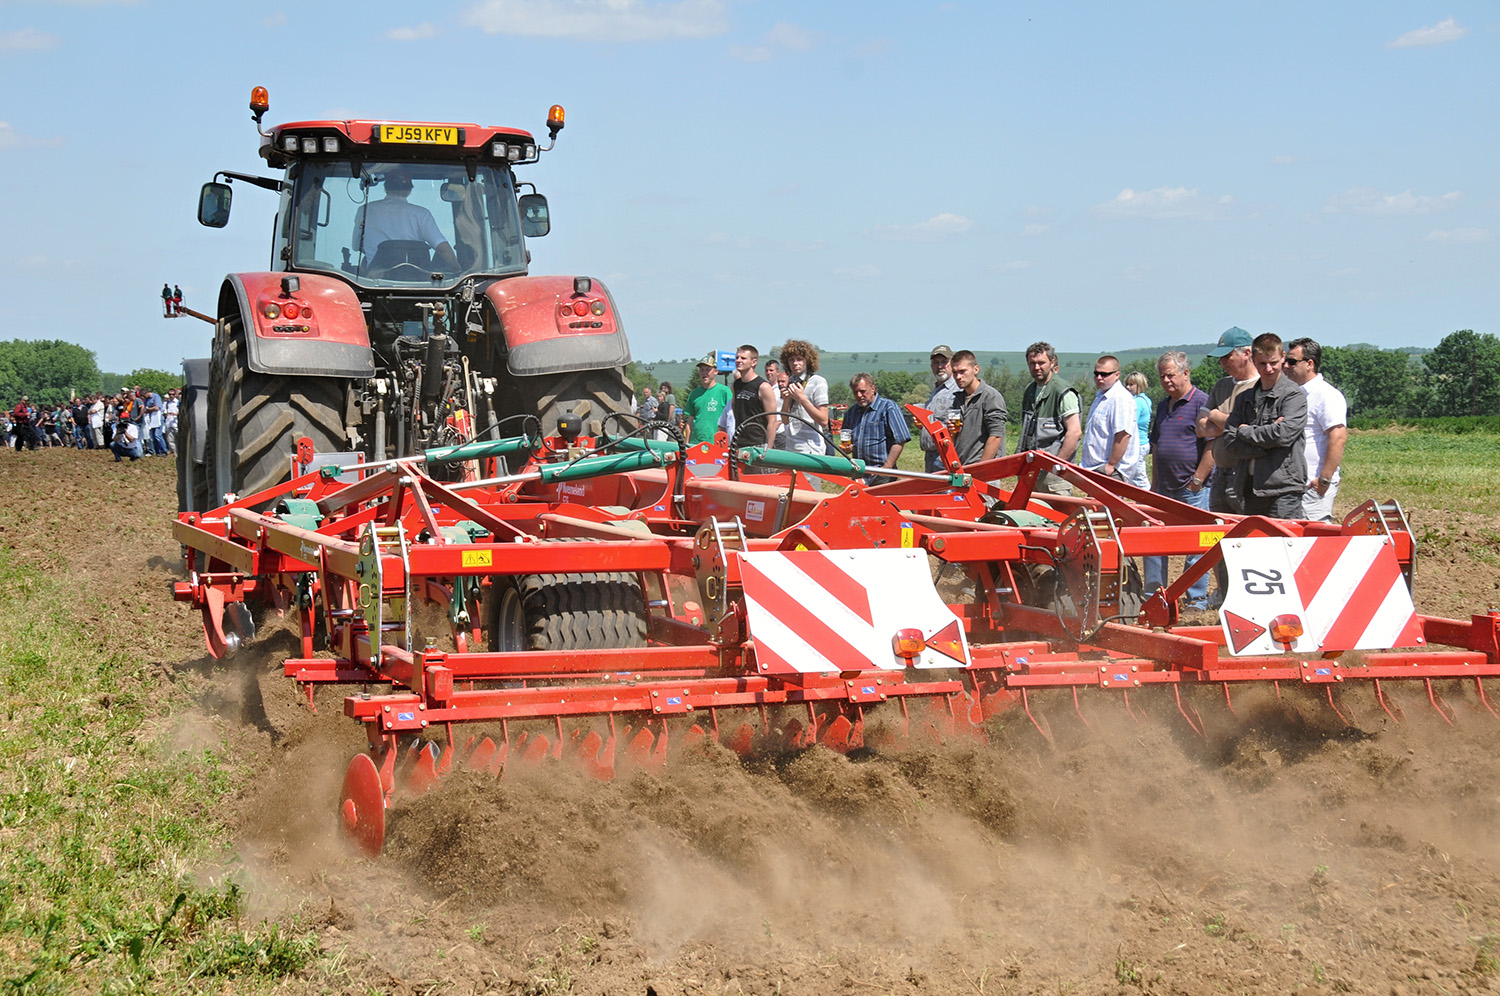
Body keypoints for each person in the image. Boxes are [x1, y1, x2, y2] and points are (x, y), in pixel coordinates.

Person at [1207, 332, 1307, 519]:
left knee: (1281, 538)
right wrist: (1269, 444)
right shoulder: (1245, 398)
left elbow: (1283, 435)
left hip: (1283, 489)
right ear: (1253, 360)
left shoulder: (1293, 395)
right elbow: (1230, 440)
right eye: (1262, 363)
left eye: (1273, 363)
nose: (1268, 369)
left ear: (1283, 357)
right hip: (1250, 487)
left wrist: (1245, 431)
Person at [1145, 351, 1214, 609]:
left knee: (1196, 543)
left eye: (1171, 375)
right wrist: (1154, 484)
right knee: (1154, 541)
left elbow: (1212, 446)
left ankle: (1196, 598)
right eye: (1162, 376)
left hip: (1192, 489)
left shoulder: (1202, 403)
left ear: (1186, 373)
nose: (1166, 380)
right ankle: (1154, 595)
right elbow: (1156, 446)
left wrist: (1198, 479)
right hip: (1164, 487)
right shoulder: (1164, 406)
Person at [1285, 338, 1347, 523]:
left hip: (1313, 486)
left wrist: (1324, 480)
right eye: (1286, 361)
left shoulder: (1326, 395)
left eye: (1292, 362)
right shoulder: (1293, 394)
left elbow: (1338, 437)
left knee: (1312, 535)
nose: (1286, 366)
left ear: (1309, 364)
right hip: (1292, 486)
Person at [352, 168, 458, 272]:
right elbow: (442, 249)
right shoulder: (421, 214)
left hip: (375, 279)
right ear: (409, 190)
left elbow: (356, 246)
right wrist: (458, 270)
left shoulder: (364, 210)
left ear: (386, 187)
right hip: (416, 279)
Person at [1018, 341, 1081, 495]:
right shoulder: (1030, 390)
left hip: (1054, 477)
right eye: (1032, 363)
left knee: (1059, 510)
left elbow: (1074, 432)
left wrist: (1057, 465)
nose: (1036, 367)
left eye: (1041, 363)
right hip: (1031, 471)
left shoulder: (1063, 392)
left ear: (1052, 362)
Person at [1080, 356, 1144, 485]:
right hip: (1097, 469)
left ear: (1117, 375)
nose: (1099, 378)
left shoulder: (1120, 398)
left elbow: (1123, 435)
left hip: (1111, 471)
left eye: (1104, 374)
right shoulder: (1101, 396)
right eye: (1096, 374)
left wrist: (1111, 465)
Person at [843, 372, 910, 485]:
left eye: (862, 391)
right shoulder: (851, 412)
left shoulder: (888, 407)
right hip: (859, 473)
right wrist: (848, 448)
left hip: (882, 475)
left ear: (873, 388)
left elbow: (901, 439)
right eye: (855, 392)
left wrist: (887, 468)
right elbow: (847, 439)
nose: (859, 395)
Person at [948, 350, 1007, 466]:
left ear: (976, 369)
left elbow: (996, 436)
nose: (958, 377)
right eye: (954, 372)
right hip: (962, 467)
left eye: (962, 371)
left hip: (986, 469)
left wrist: (981, 469)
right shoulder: (958, 399)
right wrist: (952, 432)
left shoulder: (990, 397)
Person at [777, 339, 830, 455]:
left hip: (811, 449)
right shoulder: (791, 381)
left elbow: (824, 420)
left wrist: (802, 399)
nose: (795, 363)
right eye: (791, 359)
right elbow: (785, 420)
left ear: (808, 361)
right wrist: (786, 400)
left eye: (799, 359)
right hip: (791, 447)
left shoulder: (818, 382)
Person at [918, 345, 960, 472]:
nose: (940, 366)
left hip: (945, 454)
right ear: (931, 366)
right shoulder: (936, 390)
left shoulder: (957, 390)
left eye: (944, 362)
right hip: (930, 456)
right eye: (936, 363)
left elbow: (960, 426)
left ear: (952, 364)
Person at [729, 345, 779, 446]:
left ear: (754, 362)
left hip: (758, 443)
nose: (738, 360)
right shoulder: (735, 385)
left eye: (743, 358)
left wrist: (768, 449)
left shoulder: (763, 386)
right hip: (739, 442)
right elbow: (735, 407)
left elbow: (772, 421)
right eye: (737, 357)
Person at [683, 356, 731, 445]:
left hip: (717, 444)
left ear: (716, 371)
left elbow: (731, 419)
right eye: (702, 370)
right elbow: (689, 422)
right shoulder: (694, 394)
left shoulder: (724, 391)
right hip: (696, 444)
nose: (704, 373)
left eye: (708, 369)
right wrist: (687, 444)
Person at [1125, 371, 1153, 458]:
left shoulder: (1137, 402)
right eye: (1127, 384)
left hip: (1137, 444)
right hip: (1144, 442)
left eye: (1131, 385)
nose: (1127, 387)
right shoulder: (1146, 399)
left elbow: (1130, 423)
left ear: (1139, 386)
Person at [142, 388, 166, 456]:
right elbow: (145, 410)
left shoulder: (156, 396)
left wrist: (149, 409)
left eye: (144, 395)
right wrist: (151, 408)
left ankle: (164, 451)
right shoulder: (146, 400)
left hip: (158, 418)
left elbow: (157, 408)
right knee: (153, 437)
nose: (143, 397)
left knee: (157, 435)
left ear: (146, 393)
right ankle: (158, 452)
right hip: (151, 419)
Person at [163, 389, 180, 454]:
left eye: (173, 394)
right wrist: (165, 414)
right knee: (170, 440)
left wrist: (176, 414)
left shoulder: (178, 402)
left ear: (175, 395)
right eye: (170, 394)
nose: (171, 396)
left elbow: (182, 411)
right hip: (169, 423)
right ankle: (175, 453)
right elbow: (164, 412)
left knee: (178, 439)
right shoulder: (166, 403)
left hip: (176, 423)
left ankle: (180, 452)